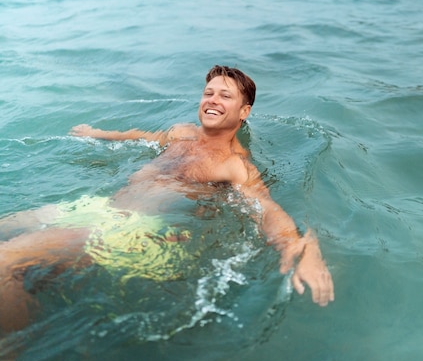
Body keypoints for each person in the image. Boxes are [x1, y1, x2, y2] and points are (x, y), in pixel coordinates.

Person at [0, 65, 334, 335]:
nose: (213, 99)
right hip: (99, 209)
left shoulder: (234, 164)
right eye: (209, 92)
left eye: (225, 96)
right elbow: (142, 138)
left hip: (133, 232)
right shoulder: (181, 132)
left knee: (7, 261)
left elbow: (267, 209)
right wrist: (98, 135)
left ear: (244, 111)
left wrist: (299, 247)